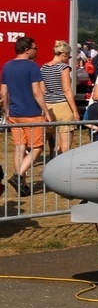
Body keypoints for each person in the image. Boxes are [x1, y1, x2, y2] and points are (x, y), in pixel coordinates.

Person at [2, 36, 46, 194]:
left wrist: (7, 111)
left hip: (14, 113)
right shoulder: (32, 67)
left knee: (19, 148)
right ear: (27, 50)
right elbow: (37, 92)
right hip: (32, 113)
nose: (36, 50)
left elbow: (3, 92)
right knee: (37, 148)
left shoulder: (7, 66)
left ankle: (22, 185)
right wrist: (46, 111)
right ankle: (18, 175)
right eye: (35, 48)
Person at [41, 40, 80, 156]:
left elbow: (42, 90)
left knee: (54, 143)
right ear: (64, 55)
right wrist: (75, 110)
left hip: (48, 106)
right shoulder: (63, 67)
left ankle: (53, 166)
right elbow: (67, 90)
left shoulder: (43, 67)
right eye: (68, 56)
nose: (68, 59)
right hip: (62, 105)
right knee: (65, 145)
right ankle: (62, 169)